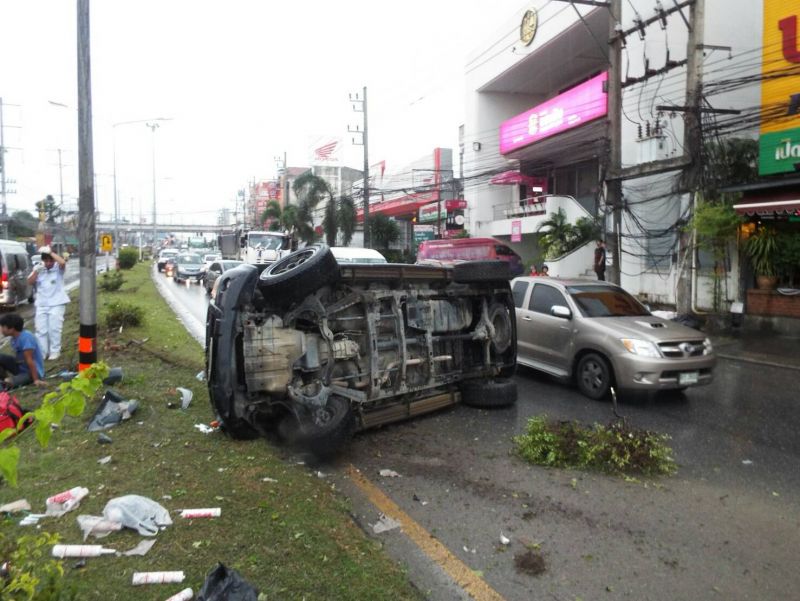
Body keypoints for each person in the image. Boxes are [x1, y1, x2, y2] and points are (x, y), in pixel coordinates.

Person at [27, 245, 70, 361]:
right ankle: (42, 352)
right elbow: (29, 281)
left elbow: (62, 263)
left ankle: (55, 351)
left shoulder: (57, 268)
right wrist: (36, 272)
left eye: (50, 260)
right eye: (46, 260)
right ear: (43, 260)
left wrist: (50, 252)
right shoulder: (39, 268)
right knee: (41, 330)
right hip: (41, 304)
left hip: (57, 303)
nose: (49, 263)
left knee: (54, 329)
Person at [0, 313, 46, 389]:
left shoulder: (26, 338)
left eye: (2, 327)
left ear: (11, 329)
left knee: (8, 384)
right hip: (21, 367)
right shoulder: (14, 338)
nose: (1, 330)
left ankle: (6, 383)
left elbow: (30, 360)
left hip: (32, 372)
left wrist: (36, 380)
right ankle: (5, 380)